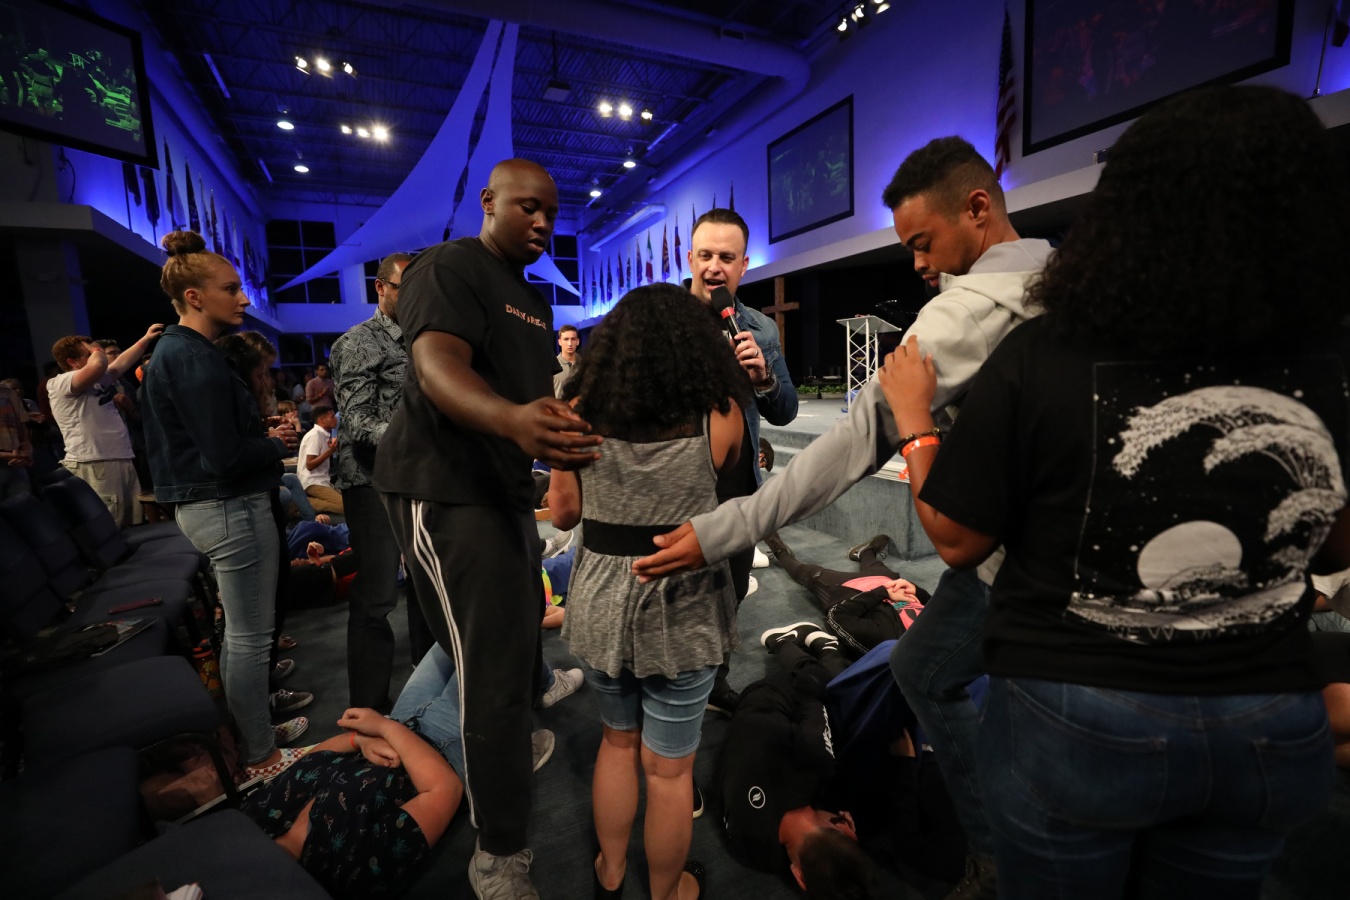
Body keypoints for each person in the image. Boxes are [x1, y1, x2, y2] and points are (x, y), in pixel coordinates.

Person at [880, 85, 1348, 896]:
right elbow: (1337, 542)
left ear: (1124, 211)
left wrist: (916, 420)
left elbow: (955, 538)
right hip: (1263, 721)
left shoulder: (1044, 353)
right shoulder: (1331, 365)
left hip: (1077, 719)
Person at [635, 136, 1053, 898]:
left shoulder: (953, 319)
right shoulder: (1065, 282)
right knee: (928, 670)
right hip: (1034, 556)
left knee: (969, 686)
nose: (918, 264)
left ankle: (998, 852)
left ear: (978, 209)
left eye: (923, 242)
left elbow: (830, 441)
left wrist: (728, 524)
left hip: (1007, 562)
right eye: (703, 256)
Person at [374, 158, 601, 898]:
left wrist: (560, 447)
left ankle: (512, 722)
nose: (542, 222)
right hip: (442, 488)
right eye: (528, 206)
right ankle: (499, 852)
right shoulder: (449, 266)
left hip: (499, 490)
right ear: (489, 201)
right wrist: (512, 419)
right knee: (487, 667)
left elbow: (534, 407)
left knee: (515, 626)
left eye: (552, 213)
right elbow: (438, 367)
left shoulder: (531, 299)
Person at [549, 283, 751, 900]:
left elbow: (563, 514)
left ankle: (611, 870)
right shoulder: (720, 413)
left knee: (616, 741)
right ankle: (667, 891)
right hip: (684, 604)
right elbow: (730, 494)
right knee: (669, 772)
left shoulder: (574, 410)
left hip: (603, 599)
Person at [141, 230, 305, 782]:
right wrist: (273, 444)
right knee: (250, 638)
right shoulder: (193, 357)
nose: (243, 298)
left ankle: (254, 735)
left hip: (214, 505)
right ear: (194, 297)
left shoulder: (182, 352)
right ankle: (261, 756)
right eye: (231, 289)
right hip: (227, 506)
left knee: (243, 635)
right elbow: (226, 457)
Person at [241, 645, 556, 900]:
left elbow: (313, 758)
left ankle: (544, 684)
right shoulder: (349, 872)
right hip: (447, 744)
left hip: (402, 719)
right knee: (497, 637)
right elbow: (444, 789)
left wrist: (359, 740)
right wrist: (383, 728)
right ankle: (537, 701)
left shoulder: (256, 821)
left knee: (456, 628)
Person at [686, 207, 799, 713]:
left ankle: (715, 683)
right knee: (677, 595)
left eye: (726, 257)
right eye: (705, 254)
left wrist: (763, 379)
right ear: (690, 258)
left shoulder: (759, 330)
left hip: (736, 490)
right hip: (677, 486)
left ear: (744, 265)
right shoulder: (663, 320)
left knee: (729, 593)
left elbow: (785, 410)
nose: (714, 266)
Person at [330, 251, 434, 710]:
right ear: (381, 288)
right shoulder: (358, 342)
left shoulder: (424, 339)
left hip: (419, 478)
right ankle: (367, 709)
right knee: (376, 598)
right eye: (403, 289)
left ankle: (427, 694)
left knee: (427, 587)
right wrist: (418, 440)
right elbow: (356, 422)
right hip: (371, 481)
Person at [48, 325, 163, 525]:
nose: (96, 355)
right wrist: (96, 348)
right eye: (89, 354)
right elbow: (98, 365)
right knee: (112, 524)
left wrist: (145, 339)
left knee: (131, 522)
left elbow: (120, 364)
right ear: (72, 362)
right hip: (95, 462)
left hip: (117, 457)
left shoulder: (97, 379)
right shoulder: (61, 382)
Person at [764, 532, 929, 658]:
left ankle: (781, 553)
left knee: (806, 572)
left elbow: (837, 616)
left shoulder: (885, 640)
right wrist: (915, 590)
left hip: (847, 589)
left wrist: (882, 592)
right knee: (874, 564)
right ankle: (866, 551)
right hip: (887, 581)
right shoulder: (935, 629)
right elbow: (937, 605)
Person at [296, 404, 344, 514]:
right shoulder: (315, 435)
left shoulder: (323, 435)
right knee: (345, 507)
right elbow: (310, 465)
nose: (336, 419)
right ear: (321, 420)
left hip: (322, 480)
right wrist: (330, 451)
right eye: (332, 416)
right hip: (312, 482)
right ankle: (303, 503)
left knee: (349, 502)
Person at [0, 378, 32, 498]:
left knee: (24, 504)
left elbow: (25, 438)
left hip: (17, 468)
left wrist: (27, 453)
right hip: (10, 464)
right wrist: (11, 456)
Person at [553, 323, 580, 398]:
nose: (570, 343)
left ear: (577, 341)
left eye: (573, 339)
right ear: (559, 342)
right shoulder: (552, 365)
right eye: (566, 339)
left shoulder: (584, 364)